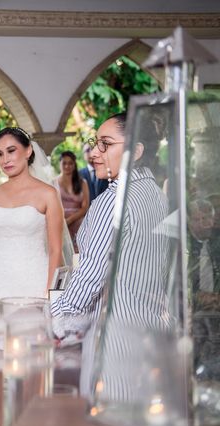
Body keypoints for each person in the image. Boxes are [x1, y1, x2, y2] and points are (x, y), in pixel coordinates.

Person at [51, 112, 169, 399]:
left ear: (136, 151)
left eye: (106, 144)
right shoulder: (157, 195)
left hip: (115, 337)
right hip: (155, 334)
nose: (94, 153)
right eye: (95, 143)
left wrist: (54, 321)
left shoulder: (112, 201)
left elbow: (90, 276)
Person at [0, 127, 64, 310]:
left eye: (11, 151)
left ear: (28, 151)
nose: (5, 160)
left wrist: (50, 295)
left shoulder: (48, 194)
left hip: (35, 282)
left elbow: (55, 250)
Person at [56, 151, 89, 253]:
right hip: (60, 221)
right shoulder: (53, 182)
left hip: (79, 222)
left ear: (74, 165)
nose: (67, 166)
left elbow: (85, 207)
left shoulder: (82, 182)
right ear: (60, 164)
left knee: (79, 254)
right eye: (64, 163)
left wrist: (69, 220)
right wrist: (63, 222)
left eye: (70, 163)